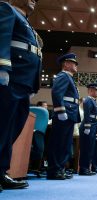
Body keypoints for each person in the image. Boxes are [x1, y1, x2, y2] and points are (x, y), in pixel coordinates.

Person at [0, 0, 43, 191]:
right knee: (2, 126)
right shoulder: (6, 8)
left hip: (23, 83)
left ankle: (1, 171)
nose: (33, 0)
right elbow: (2, 37)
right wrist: (2, 67)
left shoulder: (28, 25)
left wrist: (34, 84)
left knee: (11, 129)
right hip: (11, 78)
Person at [47, 53, 81, 180]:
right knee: (59, 143)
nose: (76, 65)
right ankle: (54, 170)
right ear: (66, 64)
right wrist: (60, 111)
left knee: (65, 144)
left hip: (69, 114)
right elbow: (57, 93)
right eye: (73, 63)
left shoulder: (69, 78)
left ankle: (60, 168)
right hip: (64, 113)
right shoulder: (63, 76)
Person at [78, 84, 97, 176]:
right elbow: (87, 114)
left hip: (93, 126)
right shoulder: (88, 100)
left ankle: (87, 167)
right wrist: (87, 127)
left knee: (90, 149)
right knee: (86, 149)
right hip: (88, 126)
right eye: (95, 90)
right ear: (90, 91)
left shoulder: (93, 101)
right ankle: (83, 169)